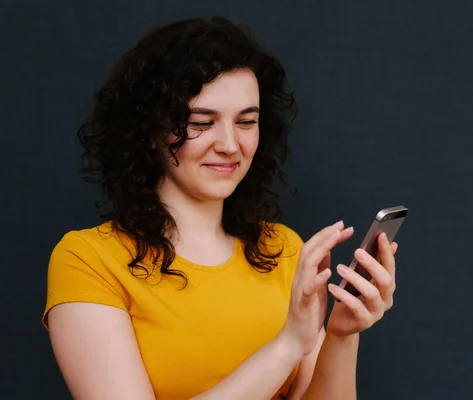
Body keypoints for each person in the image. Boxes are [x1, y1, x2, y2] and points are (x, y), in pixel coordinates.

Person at [43, 17, 399, 400]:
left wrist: (343, 335)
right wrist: (287, 345)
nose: (230, 144)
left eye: (247, 121)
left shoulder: (283, 250)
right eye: (201, 122)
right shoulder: (88, 259)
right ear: (148, 130)